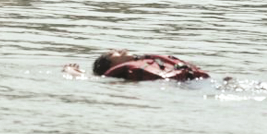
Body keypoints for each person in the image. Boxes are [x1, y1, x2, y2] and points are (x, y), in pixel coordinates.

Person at [64, 50, 211, 81]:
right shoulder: (115, 75)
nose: (120, 50)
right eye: (113, 53)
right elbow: (89, 79)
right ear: (110, 65)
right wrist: (70, 70)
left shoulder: (149, 62)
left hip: (191, 81)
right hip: (177, 85)